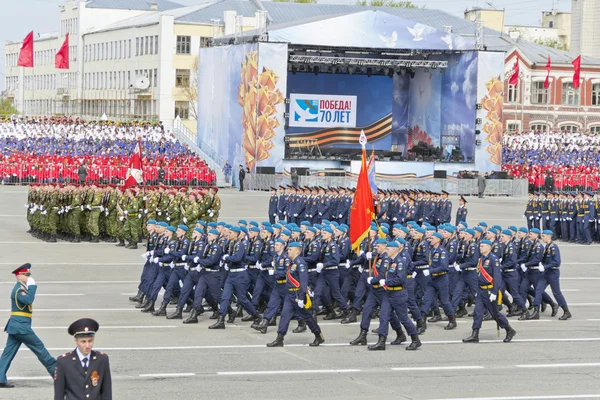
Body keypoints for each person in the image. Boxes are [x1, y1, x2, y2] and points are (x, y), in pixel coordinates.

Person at [0, 263, 56, 388]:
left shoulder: (22, 288)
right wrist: (32, 286)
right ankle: (57, 373)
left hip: (17, 326)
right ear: (19, 276)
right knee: (40, 348)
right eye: (26, 275)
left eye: (29, 274)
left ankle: (0, 377)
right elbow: (28, 300)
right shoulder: (19, 290)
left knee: (8, 353)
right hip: (21, 327)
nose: (28, 277)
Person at [266, 242, 324, 347]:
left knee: (307, 317)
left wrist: (302, 297)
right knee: (284, 316)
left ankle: (318, 335)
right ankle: (280, 338)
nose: (288, 251)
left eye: (290, 250)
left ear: (297, 251)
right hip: (289, 294)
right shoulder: (292, 263)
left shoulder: (300, 263)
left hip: (297, 294)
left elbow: (303, 281)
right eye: (288, 249)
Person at [463, 240, 517, 343]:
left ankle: (509, 330)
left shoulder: (493, 259)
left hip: (489, 291)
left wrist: (494, 292)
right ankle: (475, 334)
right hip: (481, 290)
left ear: (489, 247)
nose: (480, 248)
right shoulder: (481, 259)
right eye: (480, 246)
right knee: (478, 313)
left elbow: (497, 278)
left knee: (494, 313)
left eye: (482, 246)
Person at [54, 318, 112, 400]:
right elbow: (59, 395)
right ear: (76, 340)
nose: (87, 345)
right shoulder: (64, 362)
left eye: (90, 341)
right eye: (83, 341)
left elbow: (107, 392)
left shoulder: (102, 360)